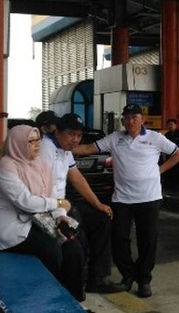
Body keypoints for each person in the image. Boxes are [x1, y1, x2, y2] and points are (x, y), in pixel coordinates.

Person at [73, 104, 179, 298]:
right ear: (123, 120)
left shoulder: (155, 138)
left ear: (142, 119)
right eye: (128, 117)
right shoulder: (115, 138)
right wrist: (64, 145)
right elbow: (90, 148)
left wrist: (160, 170)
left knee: (148, 240)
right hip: (122, 199)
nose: (131, 121)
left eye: (135, 117)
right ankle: (128, 275)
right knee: (119, 239)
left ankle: (144, 280)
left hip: (149, 198)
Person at [0, 125, 85, 301]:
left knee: (74, 246)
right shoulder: (5, 167)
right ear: (17, 144)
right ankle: (52, 298)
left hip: (36, 221)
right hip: (10, 228)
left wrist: (61, 215)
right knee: (51, 249)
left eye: (38, 140)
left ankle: (74, 301)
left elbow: (52, 194)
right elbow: (25, 201)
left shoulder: (40, 165)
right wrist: (59, 203)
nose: (37, 145)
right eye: (31, 141)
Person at [40, 113, 125, 294]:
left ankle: (98, 278)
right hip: (48, 208)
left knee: (101, 218)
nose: (76, 140)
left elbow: (77, 178)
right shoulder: (45, 149)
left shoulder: (65, 150)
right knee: (78, 240)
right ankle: (74, 286)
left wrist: (98, 204)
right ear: (59, 132)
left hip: (63, 205)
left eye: (79, 136)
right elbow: (43, 187)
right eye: (71, 134)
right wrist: (61, 214)